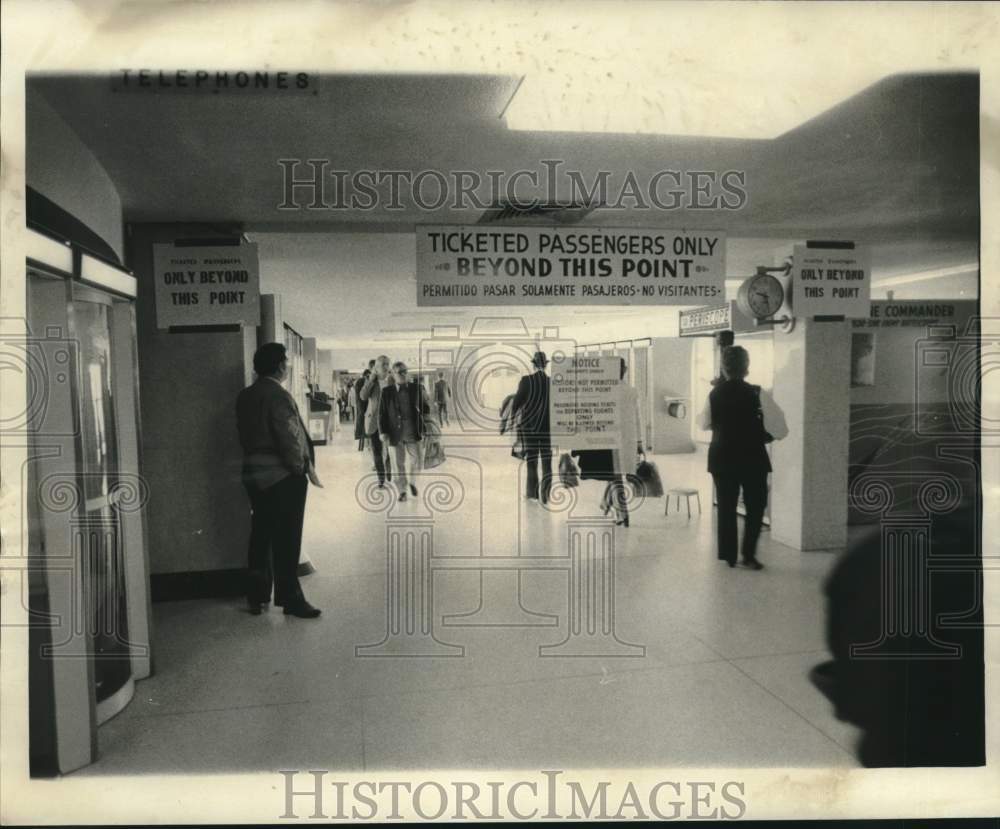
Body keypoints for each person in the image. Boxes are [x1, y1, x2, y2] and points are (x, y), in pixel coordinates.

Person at [235, 342, 323, 618]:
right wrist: (300, 468)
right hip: (281, 476)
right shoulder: (278, 395)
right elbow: (289, 435)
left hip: (254, 473)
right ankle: (291, 598)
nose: (287, 364)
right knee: (287, 538)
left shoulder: (245, 395)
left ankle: (257, 595)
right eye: (285, 360)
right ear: (279, 365)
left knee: (261, 533)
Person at [697, 344, 787, 570]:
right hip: (753, 457)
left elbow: (703, 423)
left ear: (724, 368)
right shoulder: (757, 393)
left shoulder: (714, 394)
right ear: (747, 367)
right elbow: (781, 428)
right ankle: (749, 555)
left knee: (726, 506)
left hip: (721, 456)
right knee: (755, 506)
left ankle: (728, 555)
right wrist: (765, 436)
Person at [379, 360, 429, 501]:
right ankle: (402, 491)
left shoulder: (417, 388)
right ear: (393, 374)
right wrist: (383, 432)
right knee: (397, 463)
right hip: (394, 433)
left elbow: (425, 409)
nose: (402, 374)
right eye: (399, 372)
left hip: (413, 430)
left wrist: (425, 400)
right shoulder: (386, 392)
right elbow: (382, 414)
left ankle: (412, 482)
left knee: (417, 460)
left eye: (404, 371)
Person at [511, 351, 553, 504]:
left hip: (530, 429)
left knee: (532, 462)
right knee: (547, 463)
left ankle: (532, 493)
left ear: (533, 364)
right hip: (548, 429)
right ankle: (546, 495)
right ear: (546, 365)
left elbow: (516, 403)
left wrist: (513, 419)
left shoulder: (526, 381)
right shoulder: (551, 382)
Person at [360, 356, 393, 486]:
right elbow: (363, 396)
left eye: (387, 364)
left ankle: (389, 466)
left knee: (390, 448)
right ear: (376, 368)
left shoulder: (392, 380)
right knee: (376, 450)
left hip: (389, 421)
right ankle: (381, 477)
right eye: (383, 364)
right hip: (374, 420)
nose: (385, 367)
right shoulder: (371, 381)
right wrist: (371, 380)